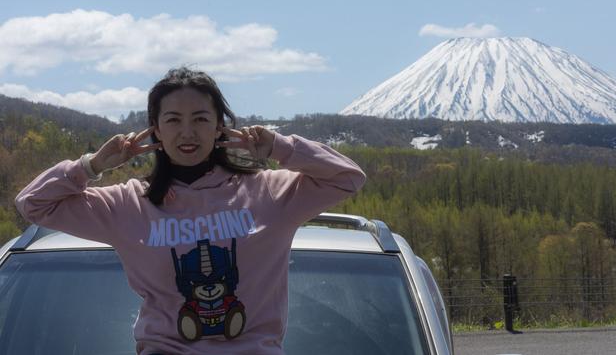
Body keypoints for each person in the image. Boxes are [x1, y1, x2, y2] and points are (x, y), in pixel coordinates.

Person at [15, 67, 366, 355]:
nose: (187, 132)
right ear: (155, 130)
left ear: (219, 127)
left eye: (200, 119)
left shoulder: (268, 192)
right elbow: (33, 203)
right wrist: (91, 165)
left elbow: (347, 177)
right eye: (173, 120)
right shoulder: (128, 204)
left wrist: (280, 146)